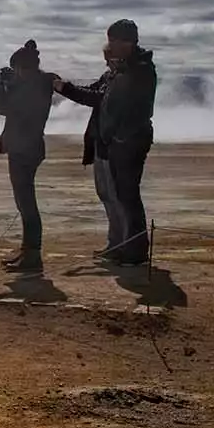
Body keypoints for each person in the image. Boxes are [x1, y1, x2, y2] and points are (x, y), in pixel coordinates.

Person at [55, 19, 158, 266]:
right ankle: (117, 244)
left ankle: (133, 251)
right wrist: (66, 87)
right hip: (108, 143)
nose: (109, 45)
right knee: (110, 195)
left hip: (126, 143)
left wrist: (63, 87)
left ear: (128, 42)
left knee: (126, 197)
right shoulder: (117, 71)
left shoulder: (138, 70)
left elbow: (102, 99)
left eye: (114, 40)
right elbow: (95, 92)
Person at [0, 40, 57, 272]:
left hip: (24, 148)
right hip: (26, 147)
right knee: (24, 203)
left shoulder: (34, 87)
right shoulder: (38, 83)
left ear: (23, 68)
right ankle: (28, 251)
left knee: (27, 205)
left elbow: (4, 108)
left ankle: (33, 255)